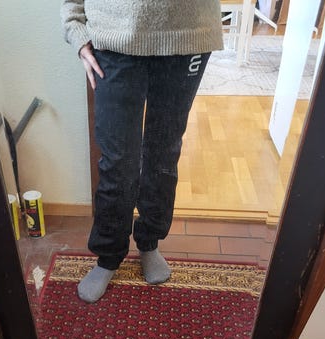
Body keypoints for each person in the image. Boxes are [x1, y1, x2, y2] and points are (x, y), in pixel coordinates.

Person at [61, 0, 223, 303]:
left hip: (188, 34)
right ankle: (108, 255)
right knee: (117, 159)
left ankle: (149, 241)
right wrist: (75, 28)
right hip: (114, 36)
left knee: (164, 153)